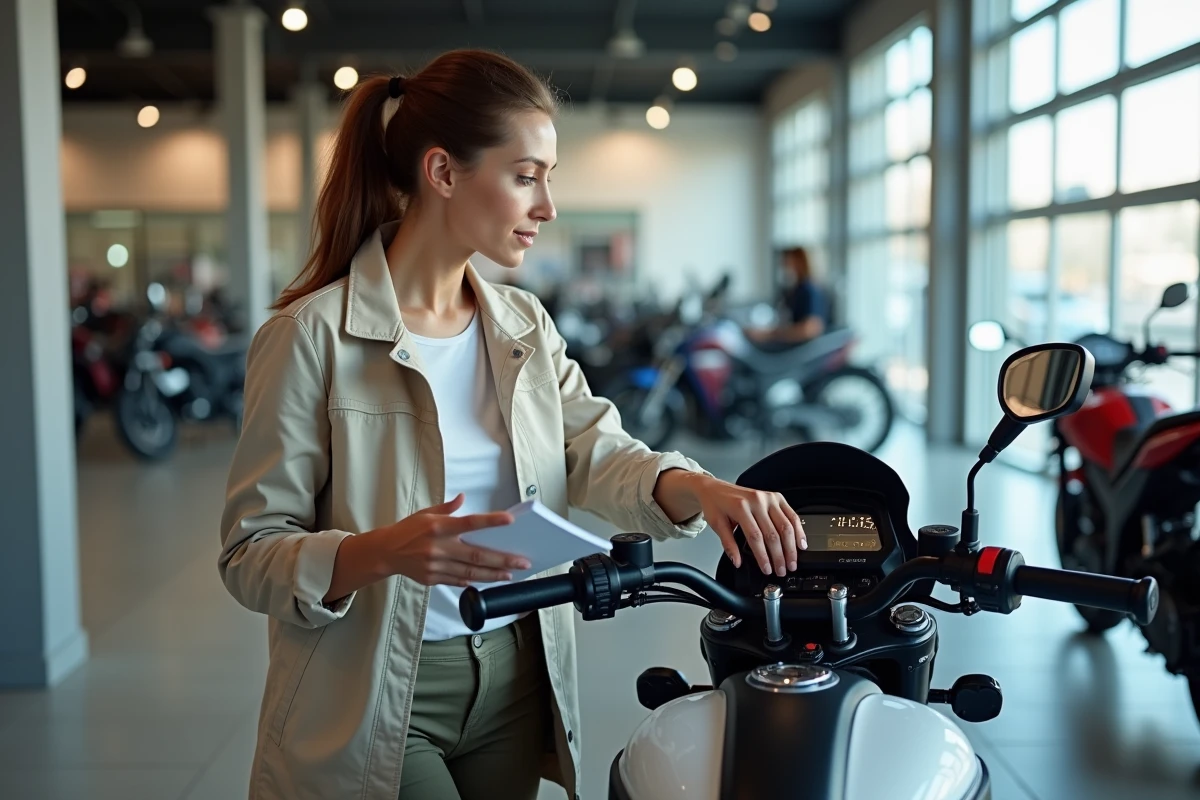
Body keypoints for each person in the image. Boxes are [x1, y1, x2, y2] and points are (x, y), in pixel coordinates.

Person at [218, 49, 807, 800]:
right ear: (443, 171)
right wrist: (383, 551)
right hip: (375, 693)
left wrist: (698, 487)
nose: (548, 206)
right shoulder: (310, 337)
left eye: (548, 177)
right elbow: (250, 553)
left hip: (514, 671)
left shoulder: (522, 322)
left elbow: (593, 449)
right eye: (527, 176)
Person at [747, 245, 830, 346]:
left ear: (799, 262)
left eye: (788, 261)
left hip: (804, 348)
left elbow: (810, 329)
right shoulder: (797, 288)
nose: (784, 265)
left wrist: (769, 335)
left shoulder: (809, 289)